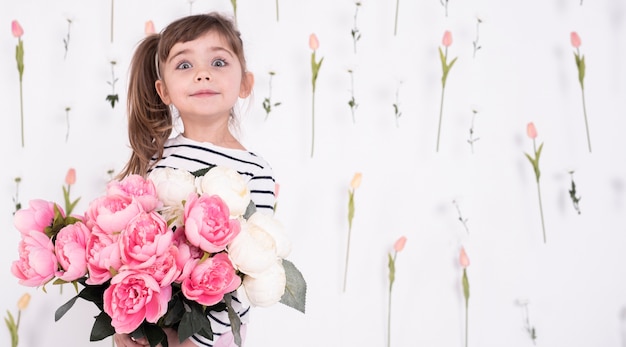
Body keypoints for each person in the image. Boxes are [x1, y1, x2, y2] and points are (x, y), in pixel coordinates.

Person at [114, 12, 276, 347]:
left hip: (212, 337)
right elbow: (129, 253)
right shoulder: (158, 160)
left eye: (218, 62)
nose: (203, 74)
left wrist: (194, 342)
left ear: (245, 83)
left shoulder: (255, 173)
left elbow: (251, 272)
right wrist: (124, 328)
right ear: (164, 91)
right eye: (185, 66)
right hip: (152, 331)